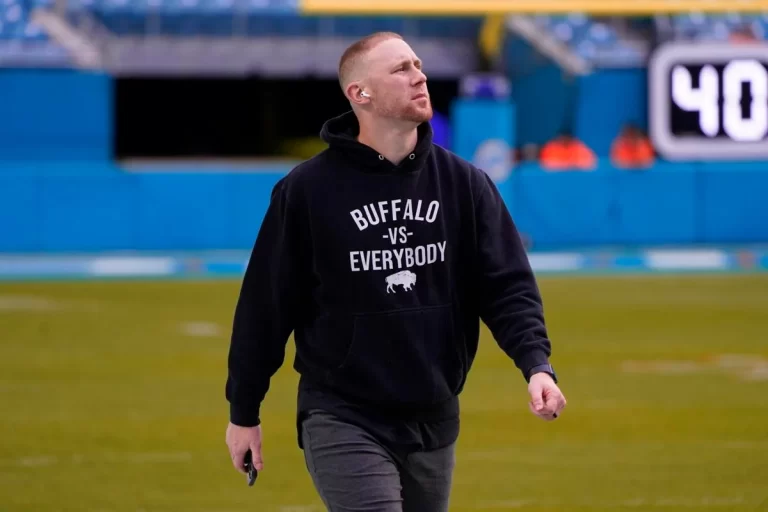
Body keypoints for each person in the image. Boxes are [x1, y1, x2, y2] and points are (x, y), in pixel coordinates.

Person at [224, 31, 567, 512]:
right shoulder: (305, 192)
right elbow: (265, 307)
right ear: (359, 94)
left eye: (418, 64)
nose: (419, 75)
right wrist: (244, 411)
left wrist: (536, 364)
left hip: (435, 414)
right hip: (343, 413)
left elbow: (507, 286)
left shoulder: (465, 185)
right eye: (400, 69)